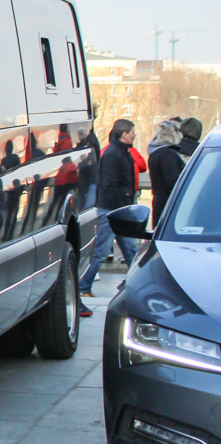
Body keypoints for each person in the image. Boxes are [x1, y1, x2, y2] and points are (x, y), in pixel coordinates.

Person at [79, 119, 138, 309]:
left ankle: (134, 282)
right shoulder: (114, 154)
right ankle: (83, 286)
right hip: (112, 210)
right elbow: (111, 183)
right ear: (124, 134)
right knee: (101, 251)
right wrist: (121, 208)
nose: (134, 135)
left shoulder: (118, 152)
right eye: (132, 132)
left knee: (130, 249)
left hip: (116, 209)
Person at [148, 119, 185, 227]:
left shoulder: (155, 153)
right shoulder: (168, 155)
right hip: (168, 205)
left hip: (160, 202)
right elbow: (172, 182)